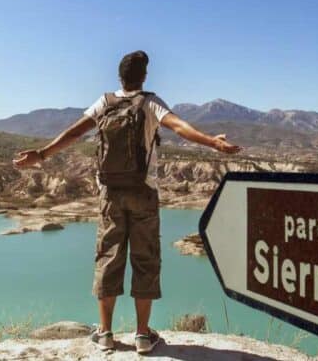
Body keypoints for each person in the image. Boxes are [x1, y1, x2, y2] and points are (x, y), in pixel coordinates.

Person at [12, 50, 241, 353]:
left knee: (108, 257)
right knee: (145, 260)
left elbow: (74, 133)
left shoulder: (104, 103)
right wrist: (213, 142)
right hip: (144, 192)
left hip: (110, 194)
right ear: (144, 76)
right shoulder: (150, 102)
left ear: (119, 77)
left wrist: (41, 154)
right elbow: (179, 127)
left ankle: (105, 333)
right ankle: (143, 336)